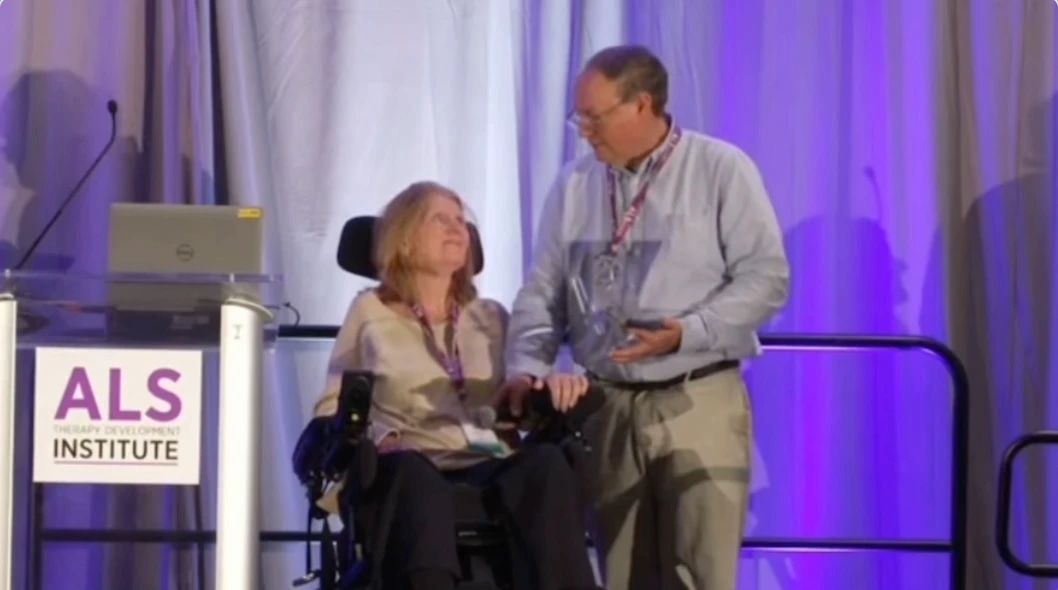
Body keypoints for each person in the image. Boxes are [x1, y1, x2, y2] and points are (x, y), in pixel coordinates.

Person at [498, 45, 790, 590]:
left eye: (594, 116)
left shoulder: (719, 169)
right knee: (624, 570)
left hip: (695, 394)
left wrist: (687, 333)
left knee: (698, 569)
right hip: (605, 406)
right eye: (578, 116)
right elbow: (542, 290)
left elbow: (766, 278)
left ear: (642, 105)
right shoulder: (575, 186)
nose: (583, 130)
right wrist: (527, 365)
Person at [312, 180, 599, 590]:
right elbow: (332, 409)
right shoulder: (369, 313)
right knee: (416, 477)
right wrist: (378, 437)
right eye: (440, 220)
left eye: (461, 221)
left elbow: (518, 395)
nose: (457, 229)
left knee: (547, 465)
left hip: (487, 460)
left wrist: (541, 390)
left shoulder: (490, 317)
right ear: (405, 238)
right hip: (408, 463)